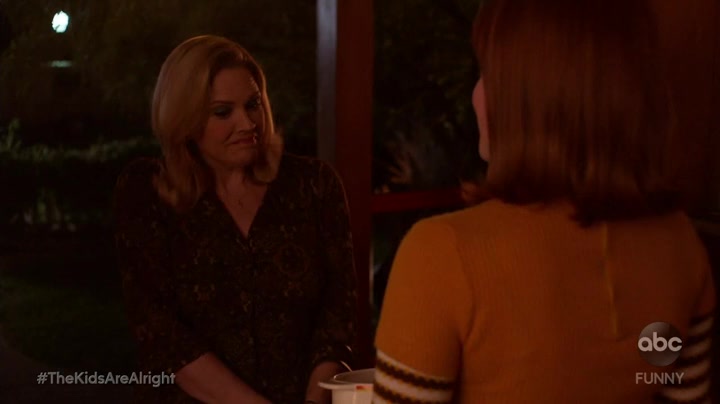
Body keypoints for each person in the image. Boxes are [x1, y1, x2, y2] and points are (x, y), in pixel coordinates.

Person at [372, 0, 715, 403]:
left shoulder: (441, 253)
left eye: (488, 73)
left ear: (527, 97)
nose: (475, 94)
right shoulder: (679, 242)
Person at [113, 35, 358, 404]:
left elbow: (338, 314)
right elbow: (160, 331)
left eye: (253, 104)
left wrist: (315, 397)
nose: (247, 123)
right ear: (184, 119)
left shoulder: (313, 185)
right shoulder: (148, 193)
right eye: (223, 112)